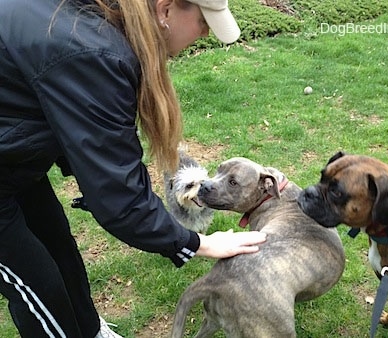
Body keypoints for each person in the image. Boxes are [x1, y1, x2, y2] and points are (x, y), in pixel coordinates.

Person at [0, 0, 267, 336]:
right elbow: (119, 198)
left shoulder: (100, 28)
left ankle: (90, 330)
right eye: (202, 21)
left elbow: (90, 143)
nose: (205, 34)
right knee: (40, 291)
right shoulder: (94, 52)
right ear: (165, 9)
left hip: (13, 166)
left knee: (61, 252)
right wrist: (199, 243)